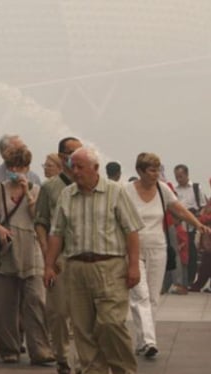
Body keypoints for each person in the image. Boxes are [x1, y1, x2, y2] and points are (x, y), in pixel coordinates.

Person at [44, 147, 144, 374]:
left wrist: (134, 265)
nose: (75, 172)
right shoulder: (67, 195)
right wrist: (49, 265)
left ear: (96, 168)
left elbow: (132, 232)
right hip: (76, 268)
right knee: (83, 329)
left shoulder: (115, 192)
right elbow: (56, 233)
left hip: (109, 267)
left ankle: (124, 370)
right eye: (73, 167)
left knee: (111, 324)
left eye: (80, 167)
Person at [126, 153, 210, 358]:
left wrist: (197, 224)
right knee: (140, 295)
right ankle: (149, 340)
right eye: (151, 170)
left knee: (153, 297)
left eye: (157, 169)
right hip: (133, 249)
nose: (156, 174)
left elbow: (178, 210)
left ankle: (142, 341)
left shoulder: (162, 190)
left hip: (158, 248)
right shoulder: (126, 192)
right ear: (140, 171)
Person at [0, 147, 54, 365]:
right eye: (12, 167)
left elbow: (38, 218)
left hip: (31, 252)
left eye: (20, 167)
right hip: (6, 252)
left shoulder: (37, 190)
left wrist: (28, 194)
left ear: (27, 168)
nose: (16, 171)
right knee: (5, 305)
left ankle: (40, 349)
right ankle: (9, 349)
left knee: (36, 302)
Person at [33, 137, 82, 374]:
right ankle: (62, 357)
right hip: (59, 258)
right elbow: (40, 220)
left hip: (85, 257)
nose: (77, 156)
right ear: (62, 156)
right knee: (59, 312)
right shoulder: (50, 188)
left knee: (84, 314)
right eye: (72, 152)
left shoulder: (90, 183)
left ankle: (83, 360)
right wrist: (45, 251)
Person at [174, 164, 208, 286]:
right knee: (179, 252)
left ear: (187, 175)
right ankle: (180, 279)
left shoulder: (196, 188)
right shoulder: (175, 190)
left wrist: (197, 220)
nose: (179, 179)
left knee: (192, 252)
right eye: (177, 176)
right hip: (178, 224)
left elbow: (203, 206)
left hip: (192, 225)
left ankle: (190, 278)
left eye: (181, 176)